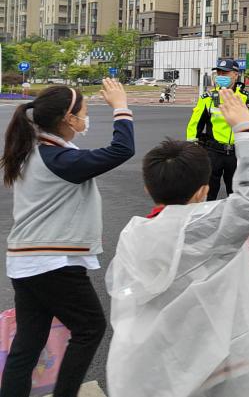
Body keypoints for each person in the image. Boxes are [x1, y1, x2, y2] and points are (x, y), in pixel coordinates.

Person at [106, 88, 249, 397]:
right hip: (217, 358)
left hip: (157, 363)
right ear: (202, 191)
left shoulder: (133, 234)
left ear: (147, 187)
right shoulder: (213, 228)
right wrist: (244, 127)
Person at [0, 80, 134, 397]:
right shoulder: (58, 160)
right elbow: (122, 150)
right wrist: (121, 107)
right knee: (90, 327)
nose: (87, 117)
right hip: (50, 262)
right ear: (68, 119)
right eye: (84, 111)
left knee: (29, 342)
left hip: (26, 261)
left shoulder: (37, 152)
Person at [186, 58, 249, 200]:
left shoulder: (246, 99)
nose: (221, 76)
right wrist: (191, 150)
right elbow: (195, 125)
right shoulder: (208, 98)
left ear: (235, 75)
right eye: (219, 72)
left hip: (237, 154)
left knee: (237, 195)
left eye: (225, 73)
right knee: (207, 194)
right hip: (213, 152)